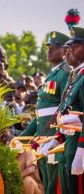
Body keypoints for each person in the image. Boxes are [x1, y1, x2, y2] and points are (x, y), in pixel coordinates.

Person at [17, 31, 71, 194]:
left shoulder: (66, 73)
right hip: (42, 140)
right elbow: (40, 115)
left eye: (54, 47)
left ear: (65, 51)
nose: (49, 50)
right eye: (48, 47)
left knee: (53, 187)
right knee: (46, 184)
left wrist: (55, 139)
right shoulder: (52, 75)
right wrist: (21, 137)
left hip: (53, 141)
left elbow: (63, 110)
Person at [41, 27, 84, 193]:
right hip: (69, 145)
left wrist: (81, 151)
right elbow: (67, 113)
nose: (70, 50)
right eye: (69, 46)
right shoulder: (77, 76)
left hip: (78, 148)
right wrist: (57, 139)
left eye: (76, 45)